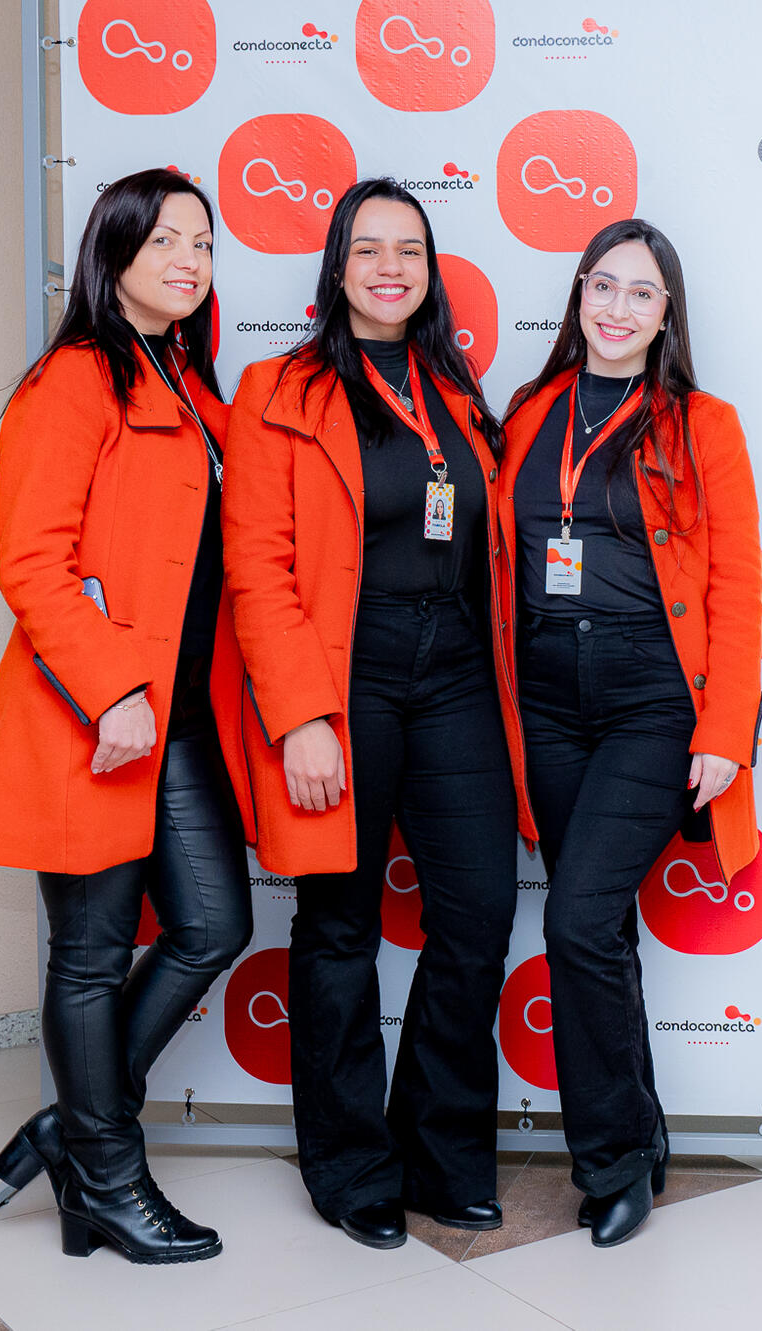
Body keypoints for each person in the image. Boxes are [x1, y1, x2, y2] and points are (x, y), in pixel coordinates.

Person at [222, 179, 524, 1251]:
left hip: (457, 678)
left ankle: (441, 1154)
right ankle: (351, 1165)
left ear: (429, 272)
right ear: (337, 268)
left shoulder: (457, 392)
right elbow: (257, 567)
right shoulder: (277, 388)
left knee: (477, 915)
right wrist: (300, 715)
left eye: (410, 249)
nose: (390, 267)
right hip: (343, 677)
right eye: (368, 248)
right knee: (340, 925)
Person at [0, 168, 252, 1264]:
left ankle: (72, 1131)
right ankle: (110, 1178)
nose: (189, 260)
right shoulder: (74, 378)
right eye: (165, 239)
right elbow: (32, 563)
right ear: (114, 253)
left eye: (203, 243)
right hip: (98, 716)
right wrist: (112, 689)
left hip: (182, 714)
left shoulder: (191, 383)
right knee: (89, 956)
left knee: (212, 925)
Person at [496, 219, 762, 1247]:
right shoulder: (530, 411)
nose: (615, 308)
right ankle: (640, 1134)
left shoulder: (703, 423)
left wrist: (724, 727)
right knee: (600, 928)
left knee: (573, 921)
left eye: (640, 293)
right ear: (578, 296)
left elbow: (735, 585)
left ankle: (608, 1165)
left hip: (652, 694)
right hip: (546, 697)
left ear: (665, 315)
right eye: (601, 286)